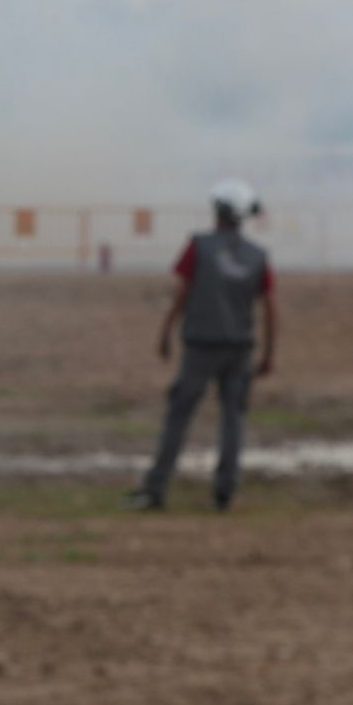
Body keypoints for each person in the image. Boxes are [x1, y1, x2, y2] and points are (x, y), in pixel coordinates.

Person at [128, 179, 278, 512]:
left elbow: (182, 293)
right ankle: (225, 491)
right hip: (240, 347)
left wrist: (166, 331)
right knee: (233, 419)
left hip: (200, 345)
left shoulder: (199, 246)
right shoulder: (257, 256)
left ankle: (156, 488)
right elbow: (269, 308)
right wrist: (268, 353)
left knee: (179, 416)